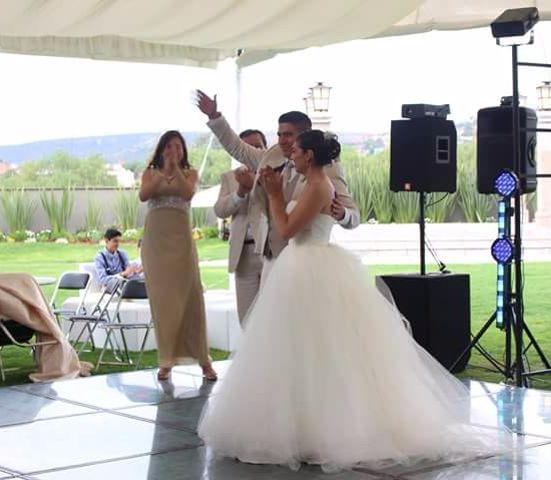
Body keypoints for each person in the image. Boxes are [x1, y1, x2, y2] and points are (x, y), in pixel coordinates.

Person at [198, 131, 506, 472]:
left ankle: (321, 428)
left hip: (310, 266)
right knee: (299, 350)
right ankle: (300, 423)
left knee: (323, 350)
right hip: (300, 266)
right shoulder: (309, 181)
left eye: (297, 150)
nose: (292, 156)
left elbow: (286, 229)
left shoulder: (319, 186)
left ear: (310, 154)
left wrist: (272, 194)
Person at [195, 91, 359, 283]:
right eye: (279, 134)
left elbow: (354, 215)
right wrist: (215, 117)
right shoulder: (272, 155)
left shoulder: (327, 170)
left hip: (304, 263)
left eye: (289, 135)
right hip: (270, 256)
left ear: (305, 136)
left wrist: (342, 214)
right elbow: (237, 147)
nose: (282, 140)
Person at [138, 130, 217, 382]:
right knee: (163, 302)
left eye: (178, 146)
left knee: (191, 297)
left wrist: (176, 170)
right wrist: (164, 170)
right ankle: (166, 360)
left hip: (181, 242)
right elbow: (144, 194)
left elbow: (187, 193)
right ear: (161, 149)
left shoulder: (190, 173)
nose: (175, 151)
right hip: (156, 244)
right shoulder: (150, 173)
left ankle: (203, 359)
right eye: (169, 146)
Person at [214, 129, 266, 325]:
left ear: (265, 147)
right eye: (247, 146)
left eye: (257, 145)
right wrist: (240, 192)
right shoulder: (229, 178)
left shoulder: (277, 174)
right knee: (247, 318)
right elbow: (220, 210)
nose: (253, 150)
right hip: (242, 255)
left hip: (270, 251)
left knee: (273, 313)